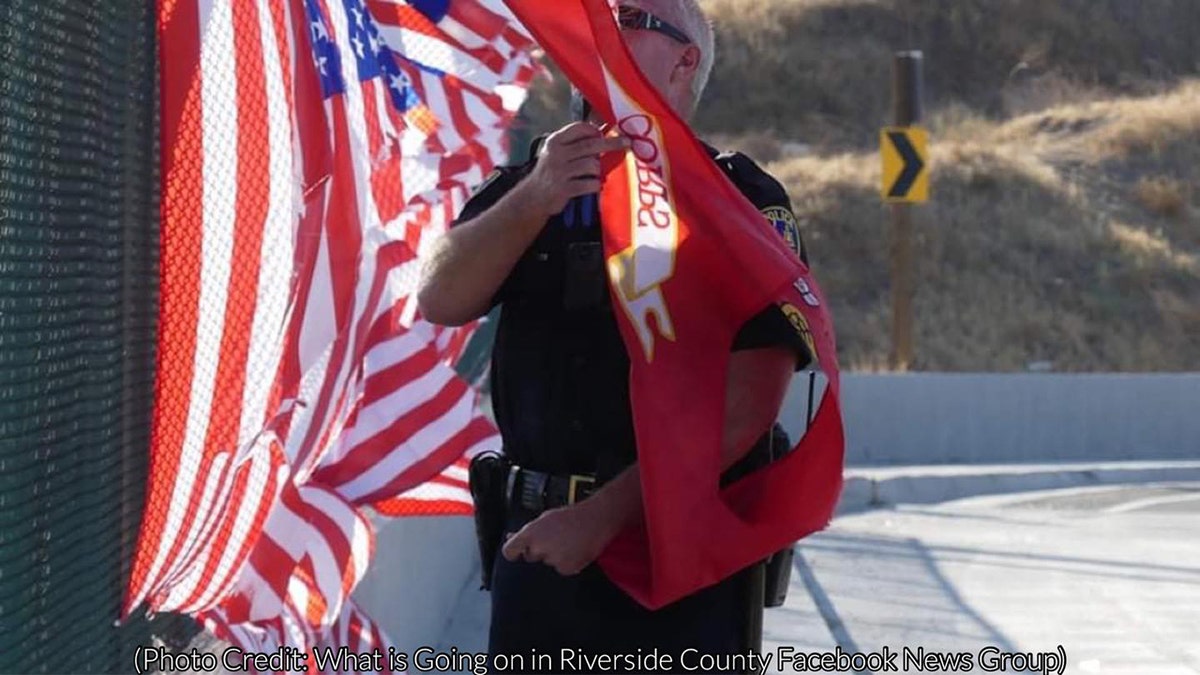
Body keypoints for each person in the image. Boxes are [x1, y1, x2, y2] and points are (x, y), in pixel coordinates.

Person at [418, 0, 812, 670]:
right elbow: (441, 295)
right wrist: (535, 197)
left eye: (627, 17)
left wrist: (600, 517)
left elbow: (748, 406)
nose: (596, 31)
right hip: (536, 550)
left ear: (686, 59)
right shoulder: (535, 181)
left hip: (674, 562)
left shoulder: (739, 198)